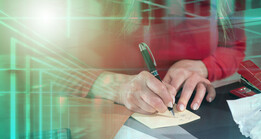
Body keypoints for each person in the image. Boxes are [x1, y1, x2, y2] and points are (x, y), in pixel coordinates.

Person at [56, 0, 246, 114]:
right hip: (106, 120)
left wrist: (204, 67)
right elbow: (46, 69)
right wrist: (112, 85)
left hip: (189, 112)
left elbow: (233, 46)